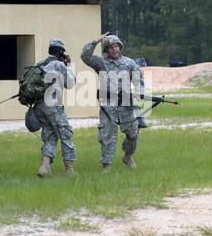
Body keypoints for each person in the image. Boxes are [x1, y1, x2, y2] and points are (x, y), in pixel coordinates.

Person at [81, 33, 145, 173]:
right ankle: (106, 165)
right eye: (111, 47)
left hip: (126, 105)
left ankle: (128, 157)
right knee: (107, 136)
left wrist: (140, 92)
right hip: (108, 106)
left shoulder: (129, 63)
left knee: (133, 134)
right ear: (106, 50)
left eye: (116, 46)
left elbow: (138, 79)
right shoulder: (101, 62)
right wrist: (95, 41)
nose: (114, 49)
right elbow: (85, 56)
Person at [33, 39, 77, 177]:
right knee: (66, 135)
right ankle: (69, 170)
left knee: (50, 136)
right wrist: (68, 65)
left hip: (39, 107)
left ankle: (45, 167)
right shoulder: (59, 65)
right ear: (60, 52)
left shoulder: (40, 64)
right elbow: (70, 84)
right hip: (53, 106)